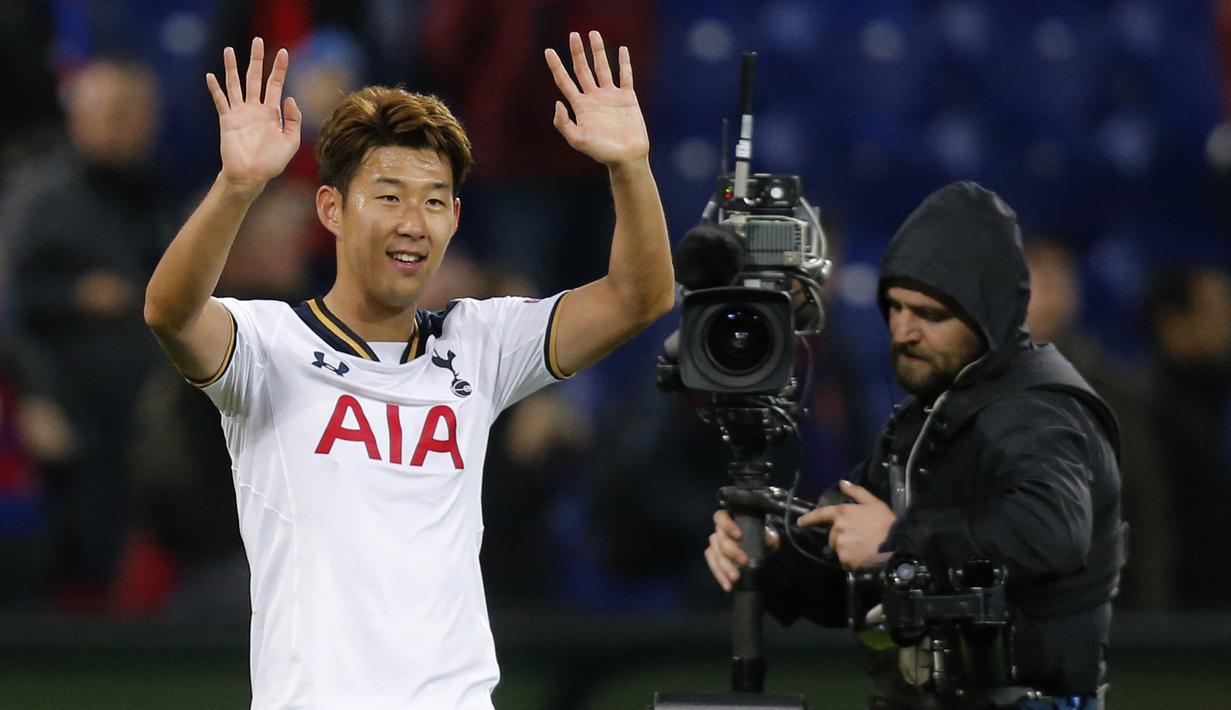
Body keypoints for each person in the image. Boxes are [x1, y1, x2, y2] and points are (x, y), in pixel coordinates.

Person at [143, 32, 673, 709]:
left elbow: (640, 296)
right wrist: (237, 185)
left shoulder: (481, 343)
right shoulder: (267, 344)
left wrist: (629, 165)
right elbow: (170, 312)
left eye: (432, 200)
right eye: (388, 196)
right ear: (331, 210)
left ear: (454, 219)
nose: (412, 222)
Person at [704, 182, 1125, 709]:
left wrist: (899, 537)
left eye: (929, 314)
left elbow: (1051, 533)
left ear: (987, 314)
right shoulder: (926, 417)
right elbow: (852, 570)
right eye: (895, 308)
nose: (903, 331)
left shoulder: (1038, 410)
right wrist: (772, 558)